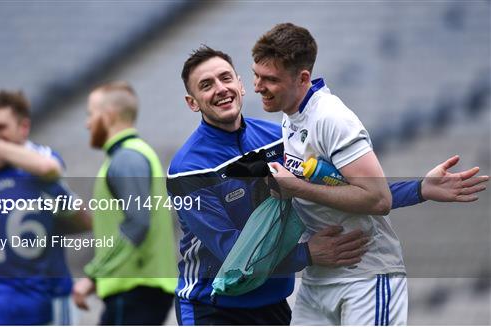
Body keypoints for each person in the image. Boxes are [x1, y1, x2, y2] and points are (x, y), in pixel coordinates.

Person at [167, 46, 488, 325]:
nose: (220, 89)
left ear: (240, 84)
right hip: (213, 306)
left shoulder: (277, 136)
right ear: (192, 102)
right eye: (206, 85)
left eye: (225, 78)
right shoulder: (188, 169)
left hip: (272, 303)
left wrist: (421, 189)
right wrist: (308, 254)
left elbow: (344, 190)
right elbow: (232, 255)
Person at [251, 23, 489, 325]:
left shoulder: (331, 119)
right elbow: (341, 186)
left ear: (302, 78)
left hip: (366, 276)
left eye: (270, 79)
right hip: (320, 278)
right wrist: (419, 189)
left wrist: (295, 188)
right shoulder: (292, 119)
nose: (258, 86)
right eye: (256, 75)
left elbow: (378, 200)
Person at [0, 90, 89, 325]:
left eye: (1, 128)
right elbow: (85, 221)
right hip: (44, 306)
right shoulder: (35, 178)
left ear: (23, 127)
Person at [72, 81, 177, 325]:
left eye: (91, 115)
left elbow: (137, 223)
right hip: (140, 290)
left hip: (135, 289)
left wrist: (93, 276)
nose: (88, 124)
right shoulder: (133, 155)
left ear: (108, 116)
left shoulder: (127, 159)